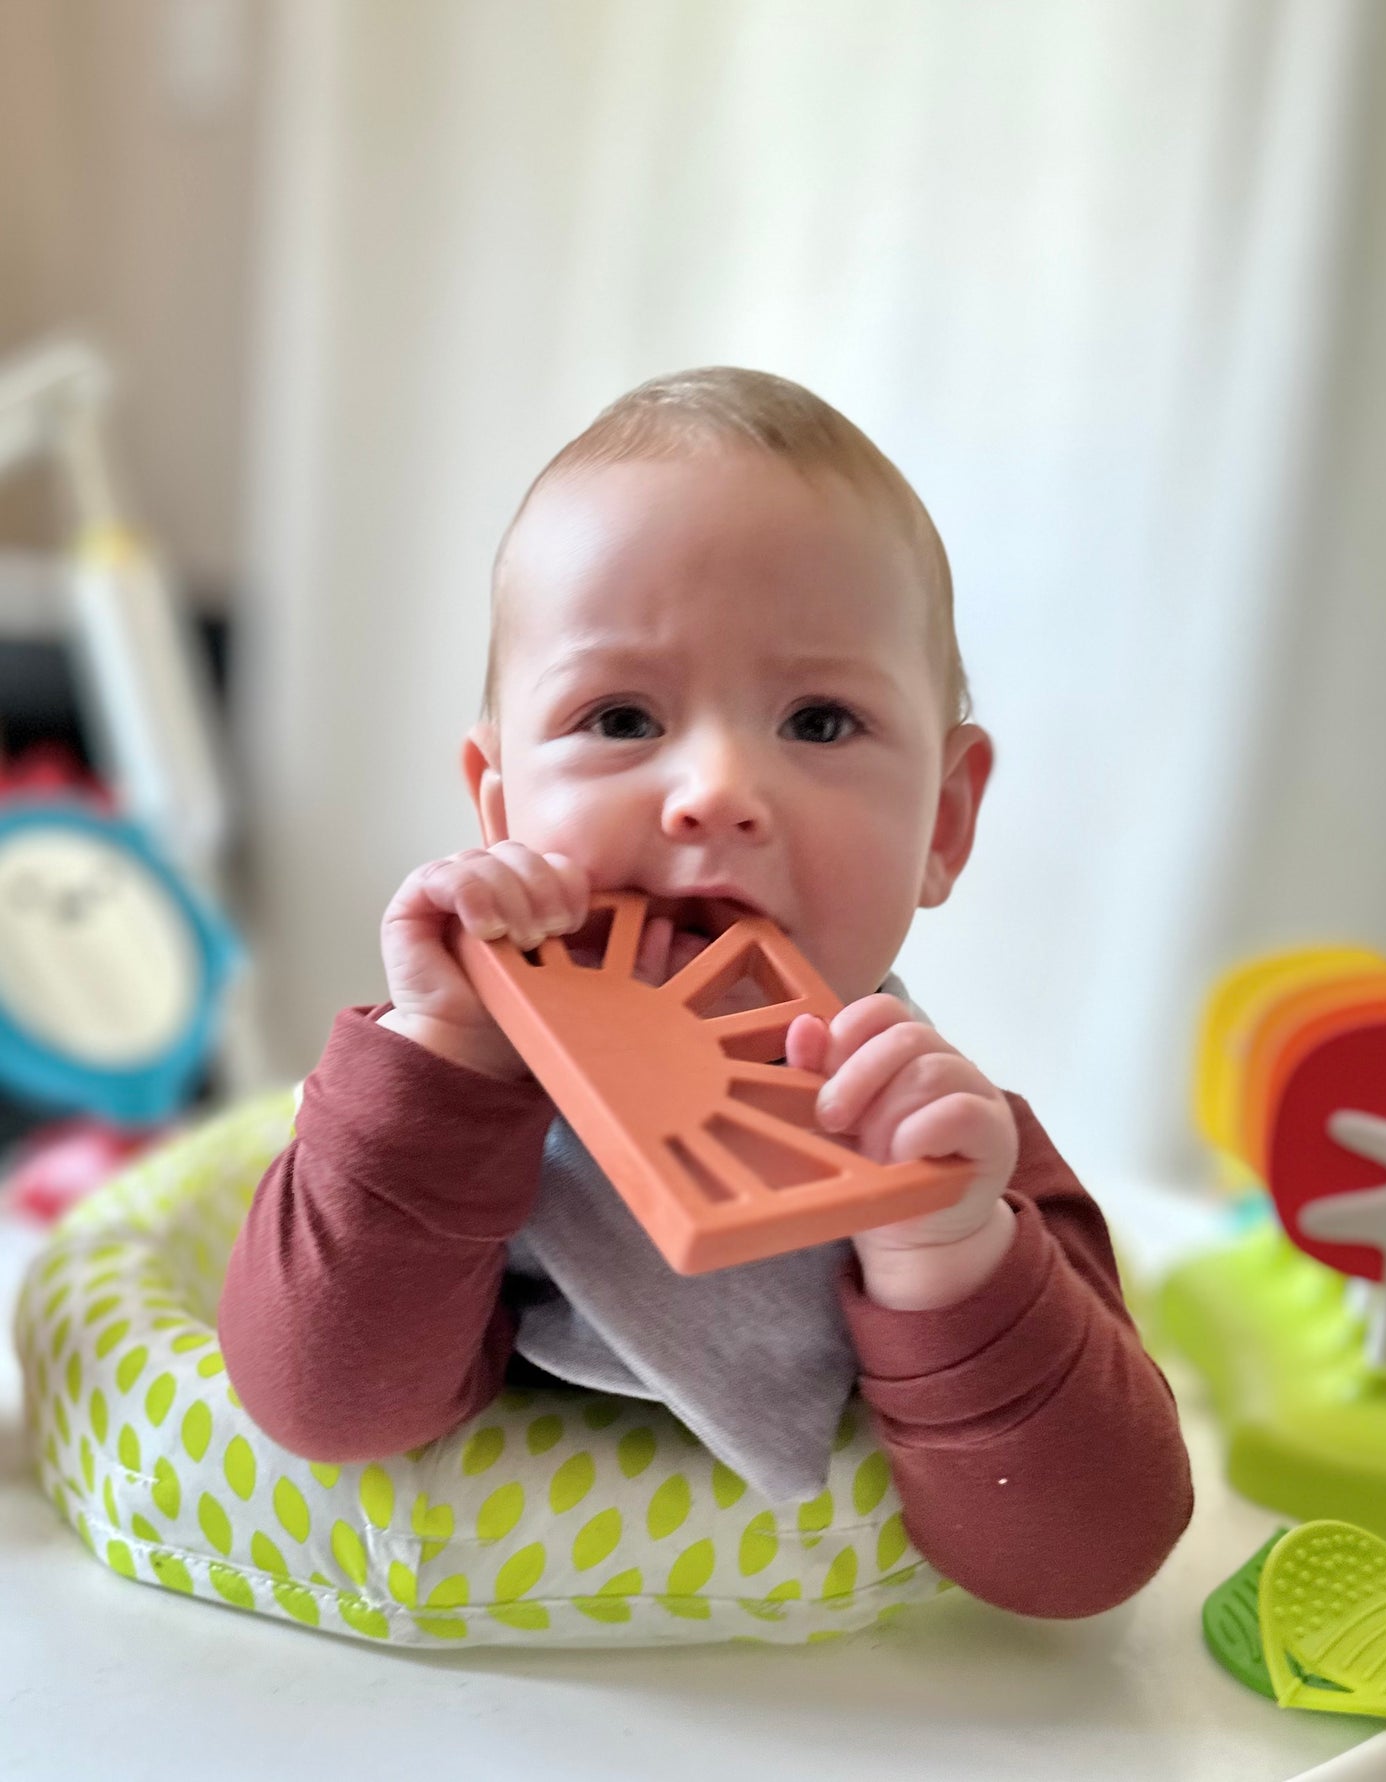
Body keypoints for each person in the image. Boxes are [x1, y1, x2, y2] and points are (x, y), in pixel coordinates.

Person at [219, 367, 1192, 1619]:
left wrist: (947, 1251)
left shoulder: (956, 1155)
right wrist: (445, 1062)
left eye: (821, 723)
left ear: (943, 822)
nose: (716, 788)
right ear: (501, 805)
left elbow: (1087, 1562)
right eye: (620, 716)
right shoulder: (436, 1089)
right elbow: (323, 1406)